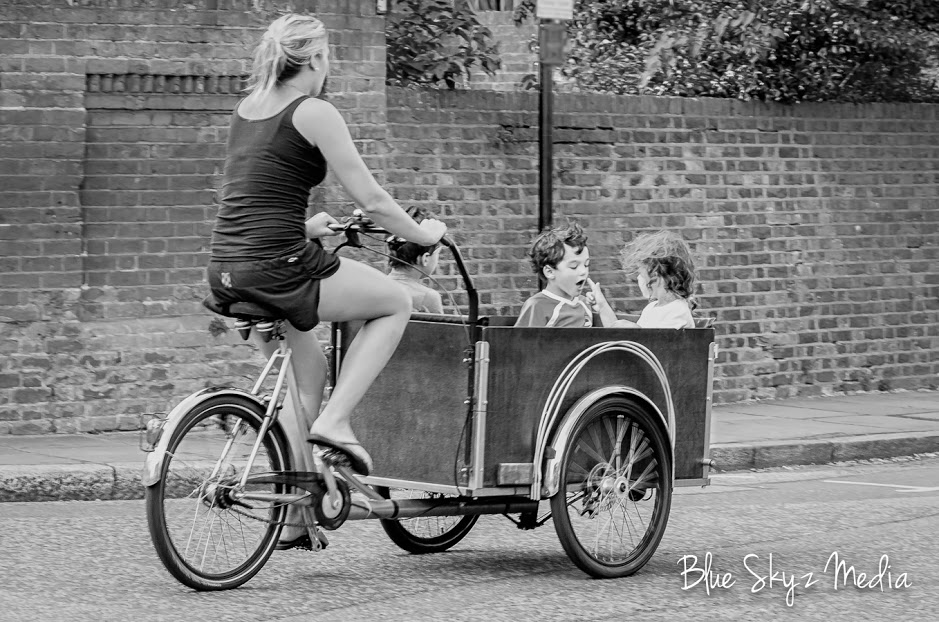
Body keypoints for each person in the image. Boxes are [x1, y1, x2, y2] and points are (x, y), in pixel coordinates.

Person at [204, 14, 446, 548]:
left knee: (304, 379)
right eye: (328, 56)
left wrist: (306, 227)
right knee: (392, 301)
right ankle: (338, 422)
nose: (328, 65)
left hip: (229, 268)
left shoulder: (247, 109)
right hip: (278, 267)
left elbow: (253, 196)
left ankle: (293, 515)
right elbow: (374, 201)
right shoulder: (314, 111)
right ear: (313, 59)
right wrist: (422, 235)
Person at [591, 230, 697, 329]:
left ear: (656, 278)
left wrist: (634, 329)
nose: (639, 278)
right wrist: (602, 306)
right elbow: (622, 339)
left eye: (641, 274)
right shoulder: (651, 308)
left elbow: (656, 342)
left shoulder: (677, 310)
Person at [514, 222, 607, 327]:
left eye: (586, 265)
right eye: (574, 266)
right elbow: (522, 341)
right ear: (549, 272)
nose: (583, 271)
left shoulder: (585, 303)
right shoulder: (537, 306)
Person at [386, 207, 444, 314]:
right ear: (425, 258)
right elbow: (440, 331)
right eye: (437, 254)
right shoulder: (427, 297)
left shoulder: (375, 286)